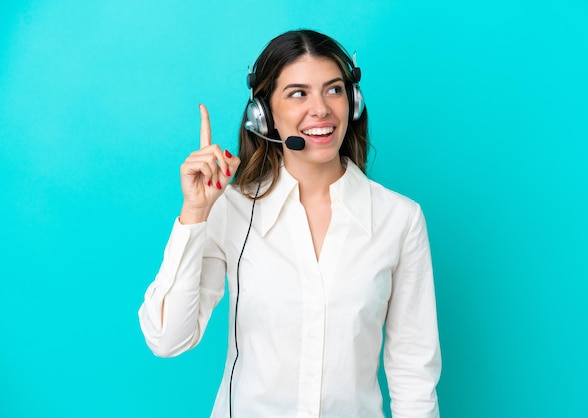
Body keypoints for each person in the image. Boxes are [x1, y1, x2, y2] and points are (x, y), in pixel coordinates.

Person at [139, 29, 441, 418]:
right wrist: (195, 213)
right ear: (263, 116)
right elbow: (167, 339)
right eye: (298, 93)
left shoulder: (399, 219)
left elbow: (414, 372)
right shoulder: (232, 210)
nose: (321, 109)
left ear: (354, 102)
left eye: (333, 90)